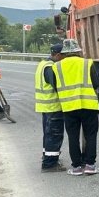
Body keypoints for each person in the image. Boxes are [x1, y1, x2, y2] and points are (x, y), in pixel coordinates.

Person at [50, 39, 99, 176]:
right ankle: (90, 165)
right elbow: (96, 83)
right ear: (78, 50)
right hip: (88, 105)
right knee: (90, 135)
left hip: (69, 106)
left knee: (72, 136)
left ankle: (76, 167)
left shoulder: (57, 66)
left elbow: (55, 86)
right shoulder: (87, 63)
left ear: (64, 52)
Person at [36, 43, 66, 172]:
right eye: (64, 56)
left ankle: (47, 156)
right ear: (58, 55)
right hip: (53, 106)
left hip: (46, 106)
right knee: (55, 134)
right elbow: (56, 86)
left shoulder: (43, 64)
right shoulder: (50, 67)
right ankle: (50, 164)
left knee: (48, 134)